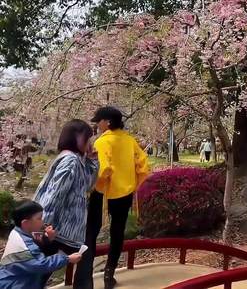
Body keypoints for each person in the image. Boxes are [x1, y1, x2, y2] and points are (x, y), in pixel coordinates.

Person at [79, 106, 150, 289]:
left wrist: (91, 186)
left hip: (102, 194)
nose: (97, 124)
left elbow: (102, 170)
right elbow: (142, 165)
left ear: (107, 122)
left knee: (91, 234)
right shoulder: (129, 141)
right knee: (117, 232)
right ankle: (109, 274)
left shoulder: (102, 142)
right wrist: (134, 184)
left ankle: (86, 277)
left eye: (99, 121)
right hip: (124, 193)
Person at [33, 120, 98, 288]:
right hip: (59, 230)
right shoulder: (70, 160)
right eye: (87, 138)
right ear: (75, 137)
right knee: (41, 273)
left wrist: (92, 161)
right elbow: (54, 195)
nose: (89, 143)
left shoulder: (76, 159)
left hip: (67, 231)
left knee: (42, 273)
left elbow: (88, 185)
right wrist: (43, 227)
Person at [0, 200, 82, 289]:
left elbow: (35, 247)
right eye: (39, 218)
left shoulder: (17, 232)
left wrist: (48, 238)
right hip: (15, 284)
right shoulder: (24, 245)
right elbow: (41, 264)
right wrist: (67, 259)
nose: (42, 221)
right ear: (25, 223)